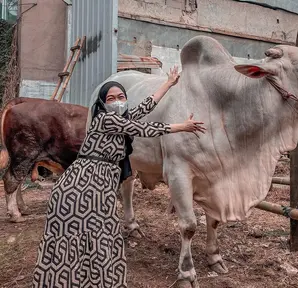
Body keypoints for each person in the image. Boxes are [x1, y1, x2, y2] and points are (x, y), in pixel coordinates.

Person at [32, 66, 205, 288]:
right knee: (81, 238)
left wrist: (168, 83)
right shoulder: (106, 120)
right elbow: (144, 128)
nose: (117, 101)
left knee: (97, 237)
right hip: (84, 185)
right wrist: (182, 126)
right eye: (111, 98)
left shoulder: (120, 119)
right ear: (103, 103)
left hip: (99, 184)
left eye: (121, 97)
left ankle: (89, 281)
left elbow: (145, 106)